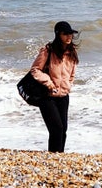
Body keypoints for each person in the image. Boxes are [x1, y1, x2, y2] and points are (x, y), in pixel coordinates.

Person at [30, 21, 80, 152]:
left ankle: (58, 156)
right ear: (58, 34)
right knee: (56, 129)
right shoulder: (47, 51)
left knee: (63, 130)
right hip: (47, 96)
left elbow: (72, 73)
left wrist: (68, 85)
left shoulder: (72, 52)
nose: (69, 37)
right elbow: (35, 70)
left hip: (63, 96)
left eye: (70, 34)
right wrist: (49, 83)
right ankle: (53, 156)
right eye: (65, 34)